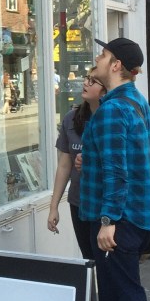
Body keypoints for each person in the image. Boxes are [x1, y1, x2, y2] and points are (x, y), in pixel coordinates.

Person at [79, 37, 150, 301]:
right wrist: (90, 159)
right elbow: (136, 160)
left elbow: (117, 172)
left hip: (119, 222)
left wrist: (108, 221)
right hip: (136, 216)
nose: (97, 59)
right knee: (115, 297)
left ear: (115, 66)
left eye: (103, 54)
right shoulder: (136, 102)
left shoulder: (112, 110)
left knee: (125, 300)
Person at [47, 70, 105, 257]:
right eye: (87, 79)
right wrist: (54, 207)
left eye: (93, 81)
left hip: (104, 203)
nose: (85, 83)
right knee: (89, 258)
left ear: (105, 89)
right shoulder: (71, 118)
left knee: (106, 262)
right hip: (78, 201)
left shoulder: (111, 119)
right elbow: (64, 166)